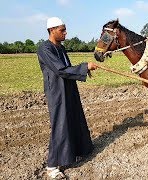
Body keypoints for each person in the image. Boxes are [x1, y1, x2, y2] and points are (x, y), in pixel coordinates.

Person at [37, 17, 98, 179]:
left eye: (65, 29)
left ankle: (78, 151)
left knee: (74, 118)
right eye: (62, 30)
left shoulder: (61, 48)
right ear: (52, 30)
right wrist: (85, 67)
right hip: (57, 92)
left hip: (69, 88)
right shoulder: (44, 49)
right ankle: (51, 167)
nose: (65, 33)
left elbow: (68, 68)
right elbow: (61, 69)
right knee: (60, 124)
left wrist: (84, 69)